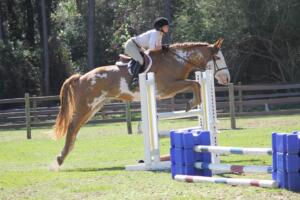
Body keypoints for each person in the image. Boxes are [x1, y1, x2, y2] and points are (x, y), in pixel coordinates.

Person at [124, 17, 169, 90]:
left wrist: (162, 48)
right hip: (131, 45)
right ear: (160, 27)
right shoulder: (156, 33)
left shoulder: (160, 34)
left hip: (138, 47)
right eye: (166, 26)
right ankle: (135, 80)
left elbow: (157, 48)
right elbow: (152, 48)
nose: (167, 27)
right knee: (141, 60)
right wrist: (162, 47)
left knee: (146, 59)